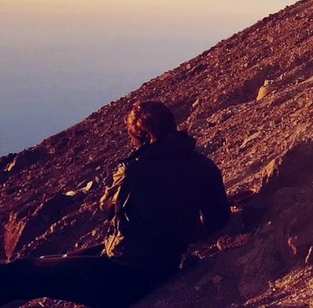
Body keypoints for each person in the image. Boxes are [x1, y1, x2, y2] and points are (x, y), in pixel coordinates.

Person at [0, 101, 230, 308]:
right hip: (161, 266)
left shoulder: (134, 171)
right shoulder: (203, 165)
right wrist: (175, 235)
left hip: (122, 278)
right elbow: (217, 219)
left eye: (133, 136)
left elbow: (108, 208)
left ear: (146, 136)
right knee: (68, 258)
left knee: (22, 272)